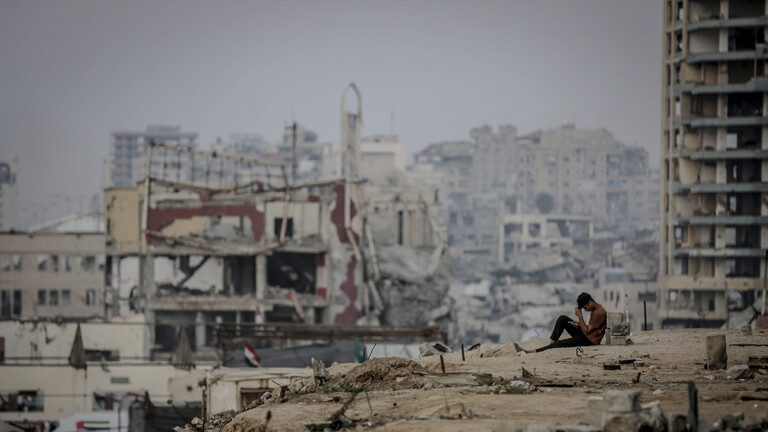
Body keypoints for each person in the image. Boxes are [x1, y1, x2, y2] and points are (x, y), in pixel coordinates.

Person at [514, 292, 606, 354]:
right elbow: (591, 329)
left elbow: (587, 332)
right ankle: (551, 346)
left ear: (590, 303)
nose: (585, 310)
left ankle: (528, 352)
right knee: (562, 319)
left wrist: (580, 316)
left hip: (589, 341)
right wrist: (579, 324)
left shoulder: (598, 313)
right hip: (587, 335)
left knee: (560, 343)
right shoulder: (597, 309)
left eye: (585, 308)